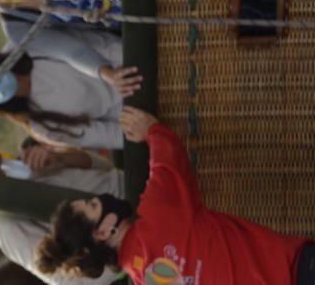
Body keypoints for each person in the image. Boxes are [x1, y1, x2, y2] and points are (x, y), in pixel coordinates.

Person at [37, 107, 315, 284]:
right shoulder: (157, 218)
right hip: (296, 268)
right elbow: (169, 162)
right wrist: (151, 131)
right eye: (93, 204)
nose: (102, 198)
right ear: (103, 232)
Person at [0, 134, 124, 284]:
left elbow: (103, 167)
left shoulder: (21, 162)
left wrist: (59, 157)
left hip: (137, 181)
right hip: (135, 227)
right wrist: (126, 251)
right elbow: (68, 281)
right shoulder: (3, 222)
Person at [0, 41, 140, 149]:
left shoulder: (23, 46)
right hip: (140, 109)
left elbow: (92, 45)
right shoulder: (41, 125)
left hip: (134, 61)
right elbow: (113, 135)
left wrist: (128, 69)